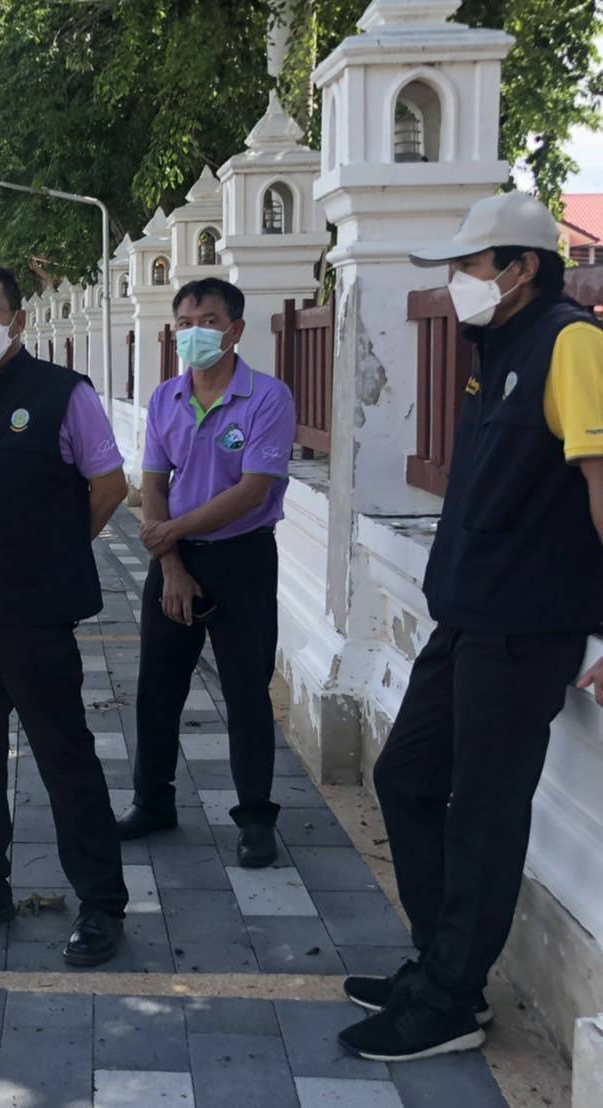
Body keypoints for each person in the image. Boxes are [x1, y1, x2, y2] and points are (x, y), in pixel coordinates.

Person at [337, 191, 603, 1063]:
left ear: (523, 268)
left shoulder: (571, 342)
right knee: (406, 776)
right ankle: (441, 967)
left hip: (528, 627)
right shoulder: (499, 348)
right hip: (470, 617)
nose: (457, 282)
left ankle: (450, 1002)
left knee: (483, 816)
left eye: (469, 265)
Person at [0, 264, 131, 966]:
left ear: (17, 320)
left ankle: (101, 902)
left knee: (64, 758)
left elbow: (109, 484)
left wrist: (56, 554)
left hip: (34, 617)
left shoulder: (63, 394)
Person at [115, 278, 297, 870]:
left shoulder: (267, 398)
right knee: (157, 687)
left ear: (235, 330)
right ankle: (152, 802)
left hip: (242, 558)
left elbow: (253, 490)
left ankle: (255, 818)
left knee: (245, 691)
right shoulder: (165, 397)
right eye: (186, 323)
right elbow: (153, 482)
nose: (196, 333)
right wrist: (170, 562)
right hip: (176, 560)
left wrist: (169, 531)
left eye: (210, 321)